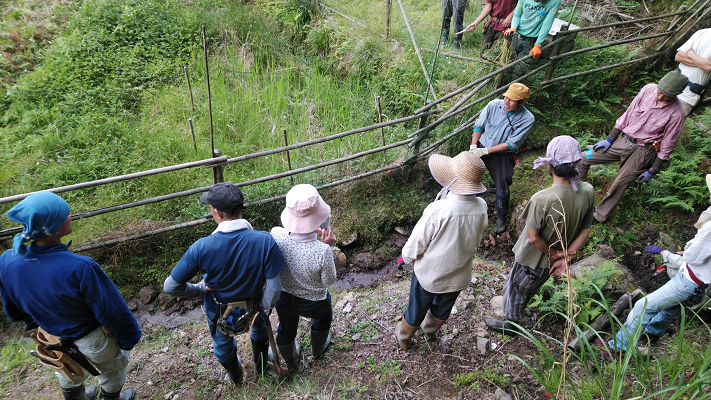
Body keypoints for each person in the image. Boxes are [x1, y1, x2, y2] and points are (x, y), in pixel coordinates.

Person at [0, 192, 141, 400]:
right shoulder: (81, 267)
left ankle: (76, 397)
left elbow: (12, 305)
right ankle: (111, 397)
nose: (70, 215)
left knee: (64, 366)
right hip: (91, 339)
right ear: (54, 228)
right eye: (66, 214)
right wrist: (129, 337)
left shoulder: (7, 260)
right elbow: (110, 309)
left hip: (51, 336)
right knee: (113, 369)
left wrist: (31, 321)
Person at [163, 183, 286, 385]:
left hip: (219, 309)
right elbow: (274, 286)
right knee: (259, 330)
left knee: (222, 342)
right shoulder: (265, 241)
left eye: (210, 207)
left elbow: (171, 287)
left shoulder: (201, 247)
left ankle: (236, 377)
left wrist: (200, 288)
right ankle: (262, 368)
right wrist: (264, 304)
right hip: (254, 303)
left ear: (218, 212)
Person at [486, 136, 594, 335]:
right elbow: (587, 227)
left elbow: (533, 238)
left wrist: (553, 253)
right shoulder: (587, 190)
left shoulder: (542, 199)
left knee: (515, 288)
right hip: (555, 260)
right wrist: (567, 256)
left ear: (550, 166)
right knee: (529, 286)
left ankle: (512, 325)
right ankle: (520, 311)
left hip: (534, 258)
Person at [600, 174, 711, 354]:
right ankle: (652, 333)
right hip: (701, 284)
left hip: (688, 281)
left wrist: (671, 251)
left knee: (642, 306)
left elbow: (692, 258)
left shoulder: (710, 226)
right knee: (672, 307)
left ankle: (619, 347)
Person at [395, 152, 488, 350]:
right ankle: (430, 330)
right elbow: (477, 239)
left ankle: (404, 336)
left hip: (430, 273)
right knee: (443, 306)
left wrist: (406, 257)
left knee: (417, 304)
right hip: (459, 273)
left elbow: (417, 242)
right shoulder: (481, 206)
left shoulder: (438, 210)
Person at [576, 71, 688, 223]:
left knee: (620, 184)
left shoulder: (677, 113)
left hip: (643, 152)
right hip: (623, 141)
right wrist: (610, 139)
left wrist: (653, 169)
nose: (660, 97)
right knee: (584, 157)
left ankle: (599, 216)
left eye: (667, 95)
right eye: (660, 92)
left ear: (677, 94)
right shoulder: (648, 89)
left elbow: (668, 145)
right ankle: (578, 193)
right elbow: (627, 114)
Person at [270, 184, 337, 372]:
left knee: (286, 328)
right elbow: (328, 282)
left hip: (283, 297)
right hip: (314, 302)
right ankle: (318, 348)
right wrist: (329, 247)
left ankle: (292, 361)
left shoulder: (275, 235)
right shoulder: (322, 250)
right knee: (324, 318)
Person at [469, 83, 535, 234]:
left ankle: (500, 218)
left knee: (503, 183)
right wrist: (474, 146)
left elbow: (511, 144)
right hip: (480, 146)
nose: (506, 101)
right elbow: (479, 126)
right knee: (466, 172)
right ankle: (462, 204)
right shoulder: (493, 105)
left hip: (501, 154)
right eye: (506, 97)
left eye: (512, 100)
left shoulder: (527, 118)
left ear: (522, 102)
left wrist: (487, 151)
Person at [504, 0, 561, 79]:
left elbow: (547, 24)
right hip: (516, 36)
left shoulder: (554, 2)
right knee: (507, 63)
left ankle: (515, 87)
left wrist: (538, 44)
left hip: (530, 41)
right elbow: (517, 14)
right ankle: (503, 82)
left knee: (519, 70)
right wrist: (513, 27)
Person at [674, 28, 711, 116]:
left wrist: (691, 54)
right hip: (671, 84)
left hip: (688, 96)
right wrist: (701, 63)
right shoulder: (701, 32)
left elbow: (708, 67)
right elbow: (678, 57)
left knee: (670, 127)